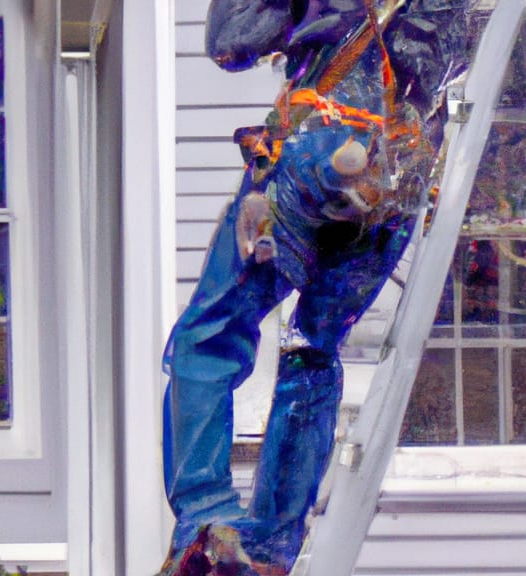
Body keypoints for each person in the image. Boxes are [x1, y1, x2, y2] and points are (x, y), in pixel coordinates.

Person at [161, 0, 466, 573]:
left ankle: (205, 515)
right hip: (401, 178)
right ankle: (274, 544)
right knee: (313, 350)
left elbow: (231, 43)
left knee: (212, 335)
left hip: (322, 144)